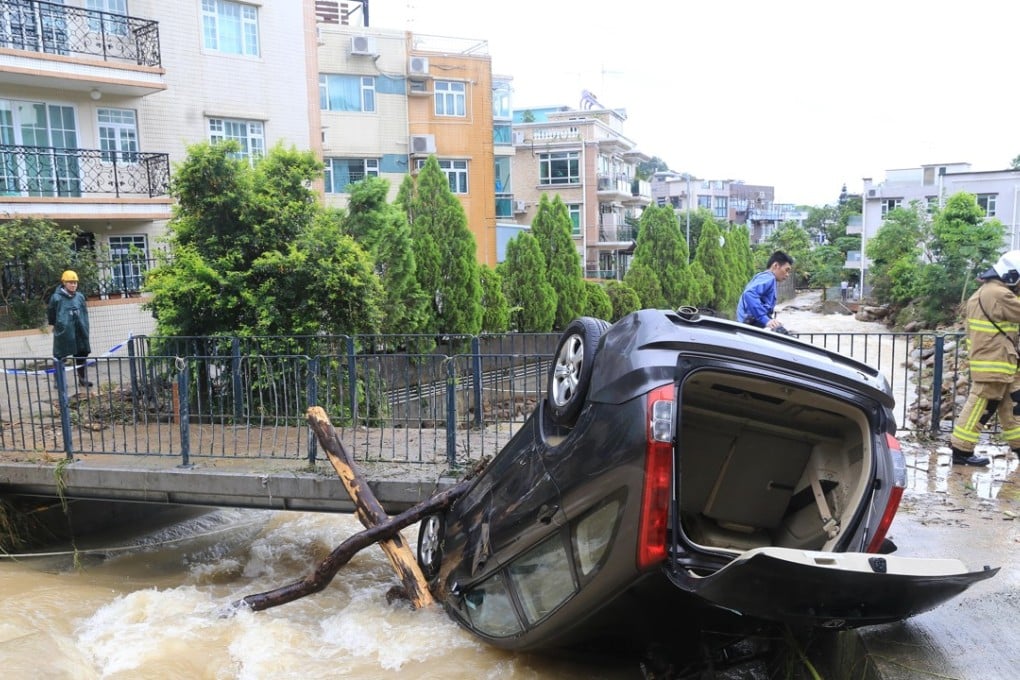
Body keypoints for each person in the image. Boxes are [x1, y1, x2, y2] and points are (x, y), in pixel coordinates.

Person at [949, 250, 1020, 466]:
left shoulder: (986, 291)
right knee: (980, 405)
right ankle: (961, 451)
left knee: (1013, 406)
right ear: (1012, 275)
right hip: (995, 362)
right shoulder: (999, 294)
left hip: (999, 361)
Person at [47, 270, 92, 388]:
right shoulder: (56, 298)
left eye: (75, 282)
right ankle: (59, 381)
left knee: (81, 354)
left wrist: (85, 326)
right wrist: (57, 325)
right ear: (64, 283)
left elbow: (84, 313)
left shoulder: (80, 297)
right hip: (64, 331)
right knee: (60, 355)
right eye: (70, 282)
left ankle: (82, 379)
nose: (73, 285)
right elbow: (51, 314)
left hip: (80, 330)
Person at [736, 251, 794, 331]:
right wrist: (764, 318)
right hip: (749, 324)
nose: (787, 274)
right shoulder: (768, 278)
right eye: (786, 270)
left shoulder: (764, 277)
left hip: (748, 323)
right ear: (776, 265)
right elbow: (749, 294)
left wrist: (770, 320)